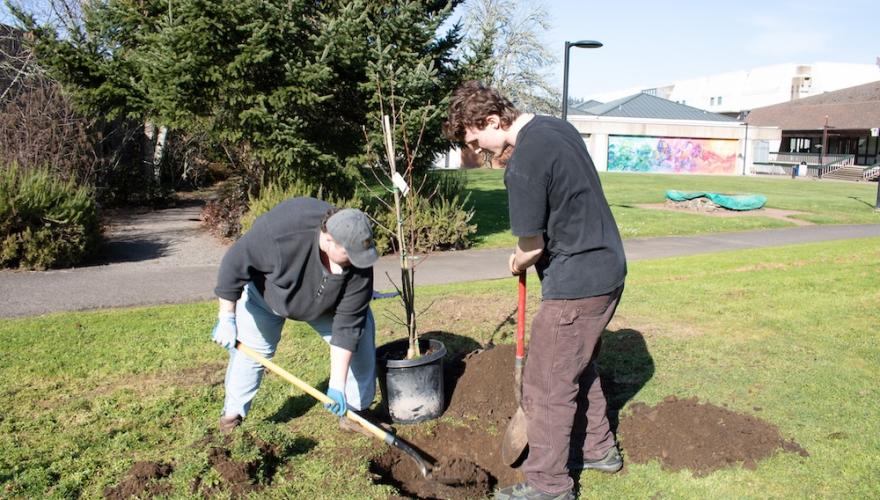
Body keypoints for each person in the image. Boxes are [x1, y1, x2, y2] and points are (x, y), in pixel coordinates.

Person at [445, 81, 627, 500]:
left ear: (491, 121)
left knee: (545, 386)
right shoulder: (554, 127)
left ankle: (549, 486)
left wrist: (516, 259)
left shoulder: (523, 162)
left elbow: (533, 245)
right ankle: (599, 449)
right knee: (575, 368)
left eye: (477, 140)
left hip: (577, 284)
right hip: (608, 268)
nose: (480, 151)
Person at [210, 197, 379, 434]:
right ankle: (231, 420)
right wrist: (227, 316)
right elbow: (235, 263)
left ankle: (355, 413)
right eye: (349, 254)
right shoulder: (281, 232)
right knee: (252, 354)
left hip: (325, 305)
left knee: (360, 340)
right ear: (328, 239)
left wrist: (337, 384)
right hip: (266, 297)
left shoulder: (358, 259)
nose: (357, 261)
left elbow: (348, 325)